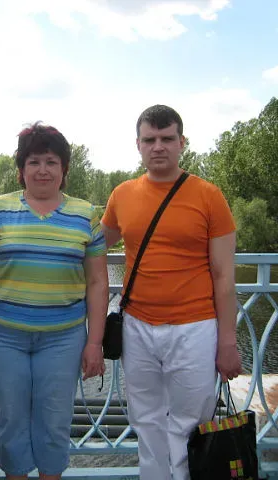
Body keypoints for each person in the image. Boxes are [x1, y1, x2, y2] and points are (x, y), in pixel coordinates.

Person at [101, 105, 242, 480]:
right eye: (150, 139)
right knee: (145, 420)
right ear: (138, 144)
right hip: (137, 327)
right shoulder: (122, 195)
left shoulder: (209, 196)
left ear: (182, 142)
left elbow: (224, 275)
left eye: (167, 138)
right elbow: (93, 244)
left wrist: (227, 341)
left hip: (194, 328)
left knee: (190, 424)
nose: (158, 146)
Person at [0, 123, 108, 480]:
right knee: (11, 421)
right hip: (1, 336)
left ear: (64, 169)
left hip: (63, 339)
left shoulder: (86, 215)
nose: (43, 170)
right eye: (34, 162)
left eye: (51, 162)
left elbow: (97, 282)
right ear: (21, 169)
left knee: (55, 422)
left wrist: (94, 342)